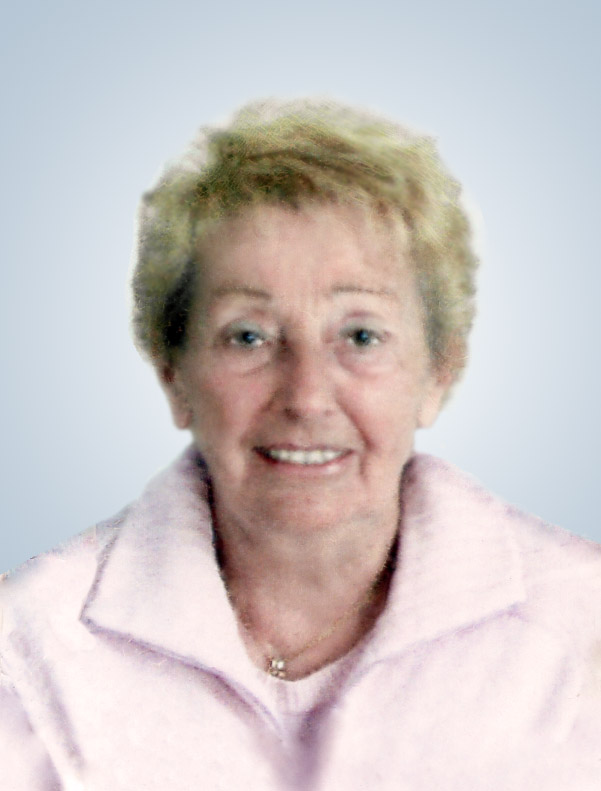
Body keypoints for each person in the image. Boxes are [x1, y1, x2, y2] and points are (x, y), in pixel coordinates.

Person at [1, 98, 600, 791]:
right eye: (248, 336)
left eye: (360, 335)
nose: (307, 396)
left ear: (439, 371)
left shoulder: (582, 629)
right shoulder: (27, 653)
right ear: (173, 374)